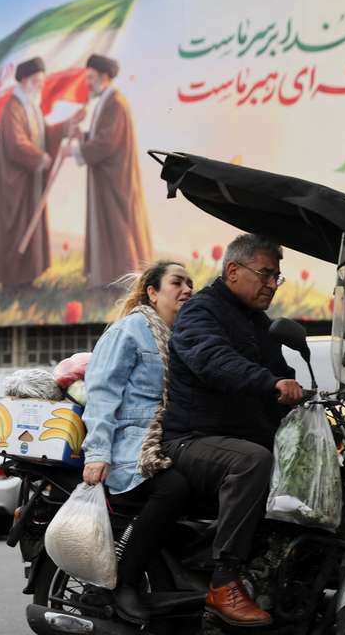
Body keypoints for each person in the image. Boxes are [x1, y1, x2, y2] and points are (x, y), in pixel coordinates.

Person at [118, 234, 304, 628]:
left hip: (228, 438)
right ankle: (224, 581)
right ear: (233, 271)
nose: (272, 283)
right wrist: (270, 385)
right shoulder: (201, 313)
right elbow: (212, 360)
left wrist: (301, 396)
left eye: (277, 277)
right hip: (190, 440)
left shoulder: (256, 322)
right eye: (266, 274)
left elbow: (279, 371)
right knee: (252, 462)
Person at [79, 261, 193, 623]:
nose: (187, 289)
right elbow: (102, 391)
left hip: (166, 440)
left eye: (191, 283)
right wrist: (97, 453)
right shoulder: (130, 331)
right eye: (177, 282)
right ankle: (122, 583)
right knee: (172, 489)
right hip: (130, 444)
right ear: (153, 292)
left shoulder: (180, 338)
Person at [0, 56, 85, 288]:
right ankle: (11, 284)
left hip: (30, 183)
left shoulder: (31, 107)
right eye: (37, 80)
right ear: (26, 80)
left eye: (42, 80)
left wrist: (68, 125)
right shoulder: (13, 108)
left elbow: (44, 135)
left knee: (30, 228)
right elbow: (16, 143)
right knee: (15, 229)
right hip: (14, 186)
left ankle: (26, 281)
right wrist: (39, 157)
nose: (41, 84)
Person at [71, 55, 153, 287]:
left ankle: (122, 281)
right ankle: (109, 279)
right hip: (106, 176)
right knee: (109, 227)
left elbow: (107, 142)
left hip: (116, 178)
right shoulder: (106, 101)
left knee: (119, 228)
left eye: (91, 77)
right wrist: (84, 138)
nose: (87, 82)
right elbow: (102, 137)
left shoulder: (115, 102)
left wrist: (77, 151)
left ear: (104, 77)